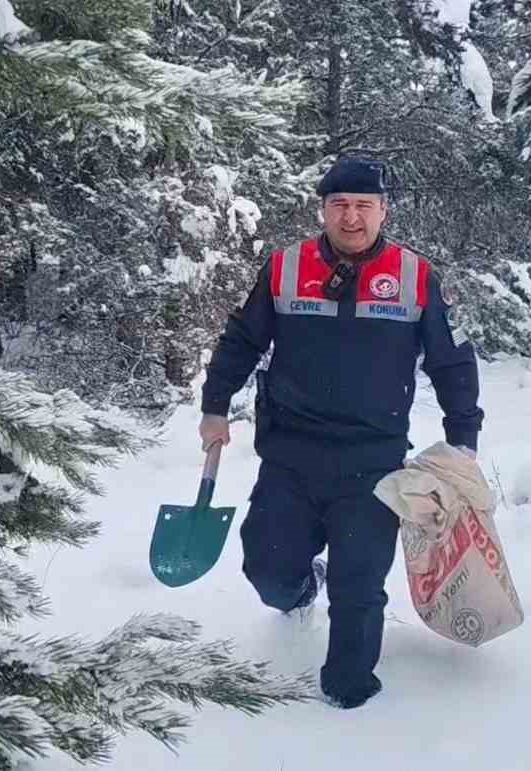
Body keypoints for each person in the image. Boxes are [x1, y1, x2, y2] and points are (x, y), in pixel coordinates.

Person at [197, 157, 484, 709]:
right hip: (290, 454)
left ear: (382, 211)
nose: (351, 217)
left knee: (359, 584)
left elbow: (451, 362)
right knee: (267, 570)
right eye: (339, 205)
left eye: (363, 206)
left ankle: (350, 688)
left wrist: (462, 437)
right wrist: (215, 406)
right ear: (323, 209)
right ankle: (302, 589)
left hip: (372, 462)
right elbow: (241, 341)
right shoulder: (284, 268)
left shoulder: (414, 276)